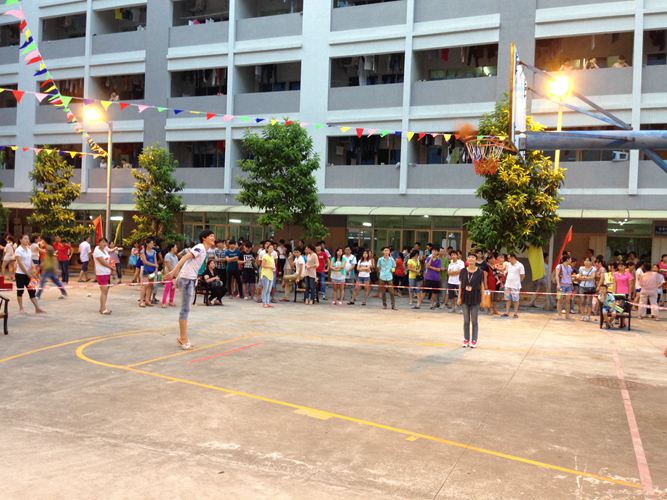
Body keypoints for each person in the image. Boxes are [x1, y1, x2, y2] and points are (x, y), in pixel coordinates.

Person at [164, 229, 216, 350]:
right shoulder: (200, 247)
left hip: (189, 279)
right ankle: (183, 338)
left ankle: (183, 337)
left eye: (213, 236)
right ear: (204, 238)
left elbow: (193, 265)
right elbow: (185, 257)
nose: (213, 238)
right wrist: (174, 272)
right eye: (211, 236)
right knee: (185, 310)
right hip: (186, 279)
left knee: (186, 309)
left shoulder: (205, 251)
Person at [458, 252, 486, 348]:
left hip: (475, 297)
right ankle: (466, 339)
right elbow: (460, 285)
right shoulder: (463, 271)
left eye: (473, 257)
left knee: (474, 321)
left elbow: (482, 286)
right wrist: (459, 297)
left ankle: (474, 340)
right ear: (467, 259)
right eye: (469, 257)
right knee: (466, 321)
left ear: (476, 259)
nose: (471, 258)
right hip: (465, 297)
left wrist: (483, 299)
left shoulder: (480, 272)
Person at [15, 235, 46, 314]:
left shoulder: (29, 249)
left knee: (32, 291)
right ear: (20, 240)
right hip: (20, 274)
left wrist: (34, 271)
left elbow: (31, 261)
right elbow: (20, 263)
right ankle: (21, 308)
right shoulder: (18, 250)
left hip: (29, 274)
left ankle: (37, 309)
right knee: (20, 291)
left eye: (28, 239)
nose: (27, 240)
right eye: (25, 238)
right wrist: (27, 273)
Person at [35, 236, 67, 300]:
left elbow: (53, 258)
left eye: (42, 241)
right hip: (48, 267)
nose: (42, 242)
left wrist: (56, 268)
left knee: (42, 282)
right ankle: (63, 292)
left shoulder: (49, 248)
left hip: (48, 268)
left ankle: (38, 295)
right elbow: (47, 258)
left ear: (45, 241)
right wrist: (41, 265)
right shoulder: (48, 247)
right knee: (56, 281)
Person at [93, 237, 114, 315]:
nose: (104, 244)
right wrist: (112, 267)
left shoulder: (105, 250)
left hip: (107, 273)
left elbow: (109, 258)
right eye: (102, 242)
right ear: (98, 243)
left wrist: (112, 268)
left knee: (106, 291)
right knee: (104, 291)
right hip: (101, 273)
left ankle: (102, 307)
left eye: (105, 242)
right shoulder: (97, 251)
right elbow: (103, 262)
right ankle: (103, 309)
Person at [501, 253, 525, 318]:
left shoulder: (520, 265)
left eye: (509, 258)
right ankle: (507, 312)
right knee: (507, 299)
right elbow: (506, 271)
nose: (508, 260)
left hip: (515, 286)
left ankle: (515, 313)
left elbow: (522, 275)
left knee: (516, 300)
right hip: (507, 285)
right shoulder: (508, 265)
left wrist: (519, 281)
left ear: (513, 258)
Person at [138, 237, 157, 308]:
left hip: (152, 271)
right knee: (144, 285)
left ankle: (147, 300)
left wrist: (156, 269)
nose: (152, 244)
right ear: (147, 243)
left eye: (153, 243)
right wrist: (154, 265)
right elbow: (145, 262)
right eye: (151, 243)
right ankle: (141, 301)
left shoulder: (154, 252)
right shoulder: (143, 251)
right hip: (146, 270)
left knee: (150, 285)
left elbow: (155, 261)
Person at [576, 257, 596, 321]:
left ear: (591, 262)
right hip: (582, 286)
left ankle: (588, 316)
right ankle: (582, 315)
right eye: (585, 260)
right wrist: (586, 278)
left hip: (590, 287)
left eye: (588, 261)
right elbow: (579, 277)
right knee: (582, 301)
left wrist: (584, 277)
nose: (586, 262)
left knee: (589, 302)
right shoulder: (581, 268)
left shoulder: (593, 269)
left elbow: (592, 277)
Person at [555, 255, 574, 320]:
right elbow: (557, 276)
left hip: (568, 286)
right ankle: (559, 315)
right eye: (570, 259)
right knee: (559, 300)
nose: (571, 261)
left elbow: (570, 276)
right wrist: (558, 284)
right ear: (567, 260)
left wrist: (572, 285)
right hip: (561, 285)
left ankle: (567, 315)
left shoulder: (569, 267)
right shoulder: (559, 266)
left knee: (568, 301)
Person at [161, 243, 179, 308]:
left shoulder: (176, 257)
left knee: (173, 288)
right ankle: (163, 302)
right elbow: (169, 266)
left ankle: (171, 301)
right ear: (172, 248)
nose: (177, 248)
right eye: (175, 247)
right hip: (169, 274)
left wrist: (177, 274)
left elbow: (177, 266)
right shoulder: (168, 255)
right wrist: (173, 273)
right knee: (167, 288)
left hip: (174, 274)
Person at [260, 243, 276, 308]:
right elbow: (263, 265)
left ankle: (267, 302)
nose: (271, 249)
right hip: (265, 274)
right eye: (270, 248)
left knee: (269, 290)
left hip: (271, 274)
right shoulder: (265, 256)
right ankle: (264, 303)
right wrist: (270, 267)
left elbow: (273, 265)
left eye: (272, 248)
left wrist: (273, 268)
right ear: (267, 249)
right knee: (265, 289)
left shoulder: (272, 256)